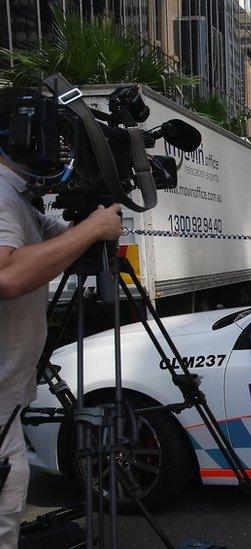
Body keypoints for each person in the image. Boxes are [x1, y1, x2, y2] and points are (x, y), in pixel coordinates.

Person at [0, 155, 123, 546]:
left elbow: (63, 242)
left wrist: (90, 228)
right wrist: (92, 229)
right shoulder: (2, 193)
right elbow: (7, 275)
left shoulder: (21, 202)